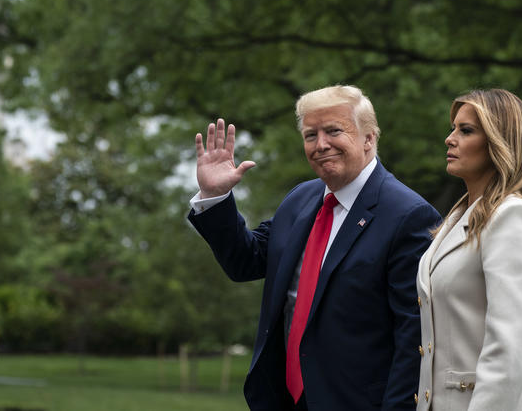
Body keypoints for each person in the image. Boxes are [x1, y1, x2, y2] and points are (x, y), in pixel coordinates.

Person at [188, 85, 441, 410]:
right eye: (310, 135)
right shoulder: (300, 200)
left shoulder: (409, 216)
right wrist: (215, 197)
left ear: (369, 138)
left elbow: (414, 338)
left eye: (333, 131)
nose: (320, 145)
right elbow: (246, 261)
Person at [415, 89, 522, 410]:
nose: (450, 139)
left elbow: (507, 352)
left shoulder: (511, 216)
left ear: (498, 142)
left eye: (466, 130)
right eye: (453, 128)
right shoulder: (456, 219)